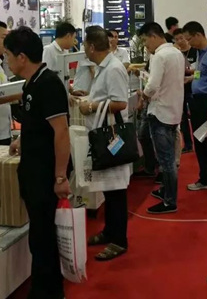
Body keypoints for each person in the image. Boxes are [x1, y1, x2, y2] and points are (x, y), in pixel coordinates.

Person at [5, 27, 70, 299]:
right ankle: (47, 288)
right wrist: (23, 139)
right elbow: (39, 124)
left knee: (43, 237)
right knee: (39, 235)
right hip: (32, 170)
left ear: (21, 57)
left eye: (8, 56)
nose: (6, 61)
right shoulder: (31, 83)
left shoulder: (48, 83)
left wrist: (60, 176)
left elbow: (61, 131)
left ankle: (47, 291)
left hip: (45, 174)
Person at [78, 26, 131, 260]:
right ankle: (110, 231)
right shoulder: (103, 67)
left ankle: (119, 240)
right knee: (109, 189)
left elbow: (120, 103)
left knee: (116, 190)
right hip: (102, 134)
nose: (83, 49)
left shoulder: (113, 69)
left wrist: (90, 106)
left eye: (84, 45)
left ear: (91, 47)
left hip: (112, 137)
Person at [138, 22, 185, 214]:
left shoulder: (159, 56)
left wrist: (143, 96)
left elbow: (152, 85)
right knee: (168, 158)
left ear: (153, 36)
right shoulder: (177, 53)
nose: (145, 45)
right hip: (173, 110)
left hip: (160, 112)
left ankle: (169, 201)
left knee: (166, 161)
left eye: (145, 41)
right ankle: (166, 190)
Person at [183, 21, 207, 200]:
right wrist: (191, 79)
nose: (188, 43)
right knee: (199, 142)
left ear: (198, 35)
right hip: (197, 102)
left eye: (189, 39)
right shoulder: (200, 52)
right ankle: (206, 178)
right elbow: (201, 74)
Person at [174, 28, 198, 153]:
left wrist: (191, 76)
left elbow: (200, 72)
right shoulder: (175, 53)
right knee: (182, 118)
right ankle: (187, 144)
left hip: (193, 88)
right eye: (177, 39)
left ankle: (198, 142)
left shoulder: (195, 51)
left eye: (181, 38)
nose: (180, 41)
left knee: (195, 117)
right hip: (179, 89)